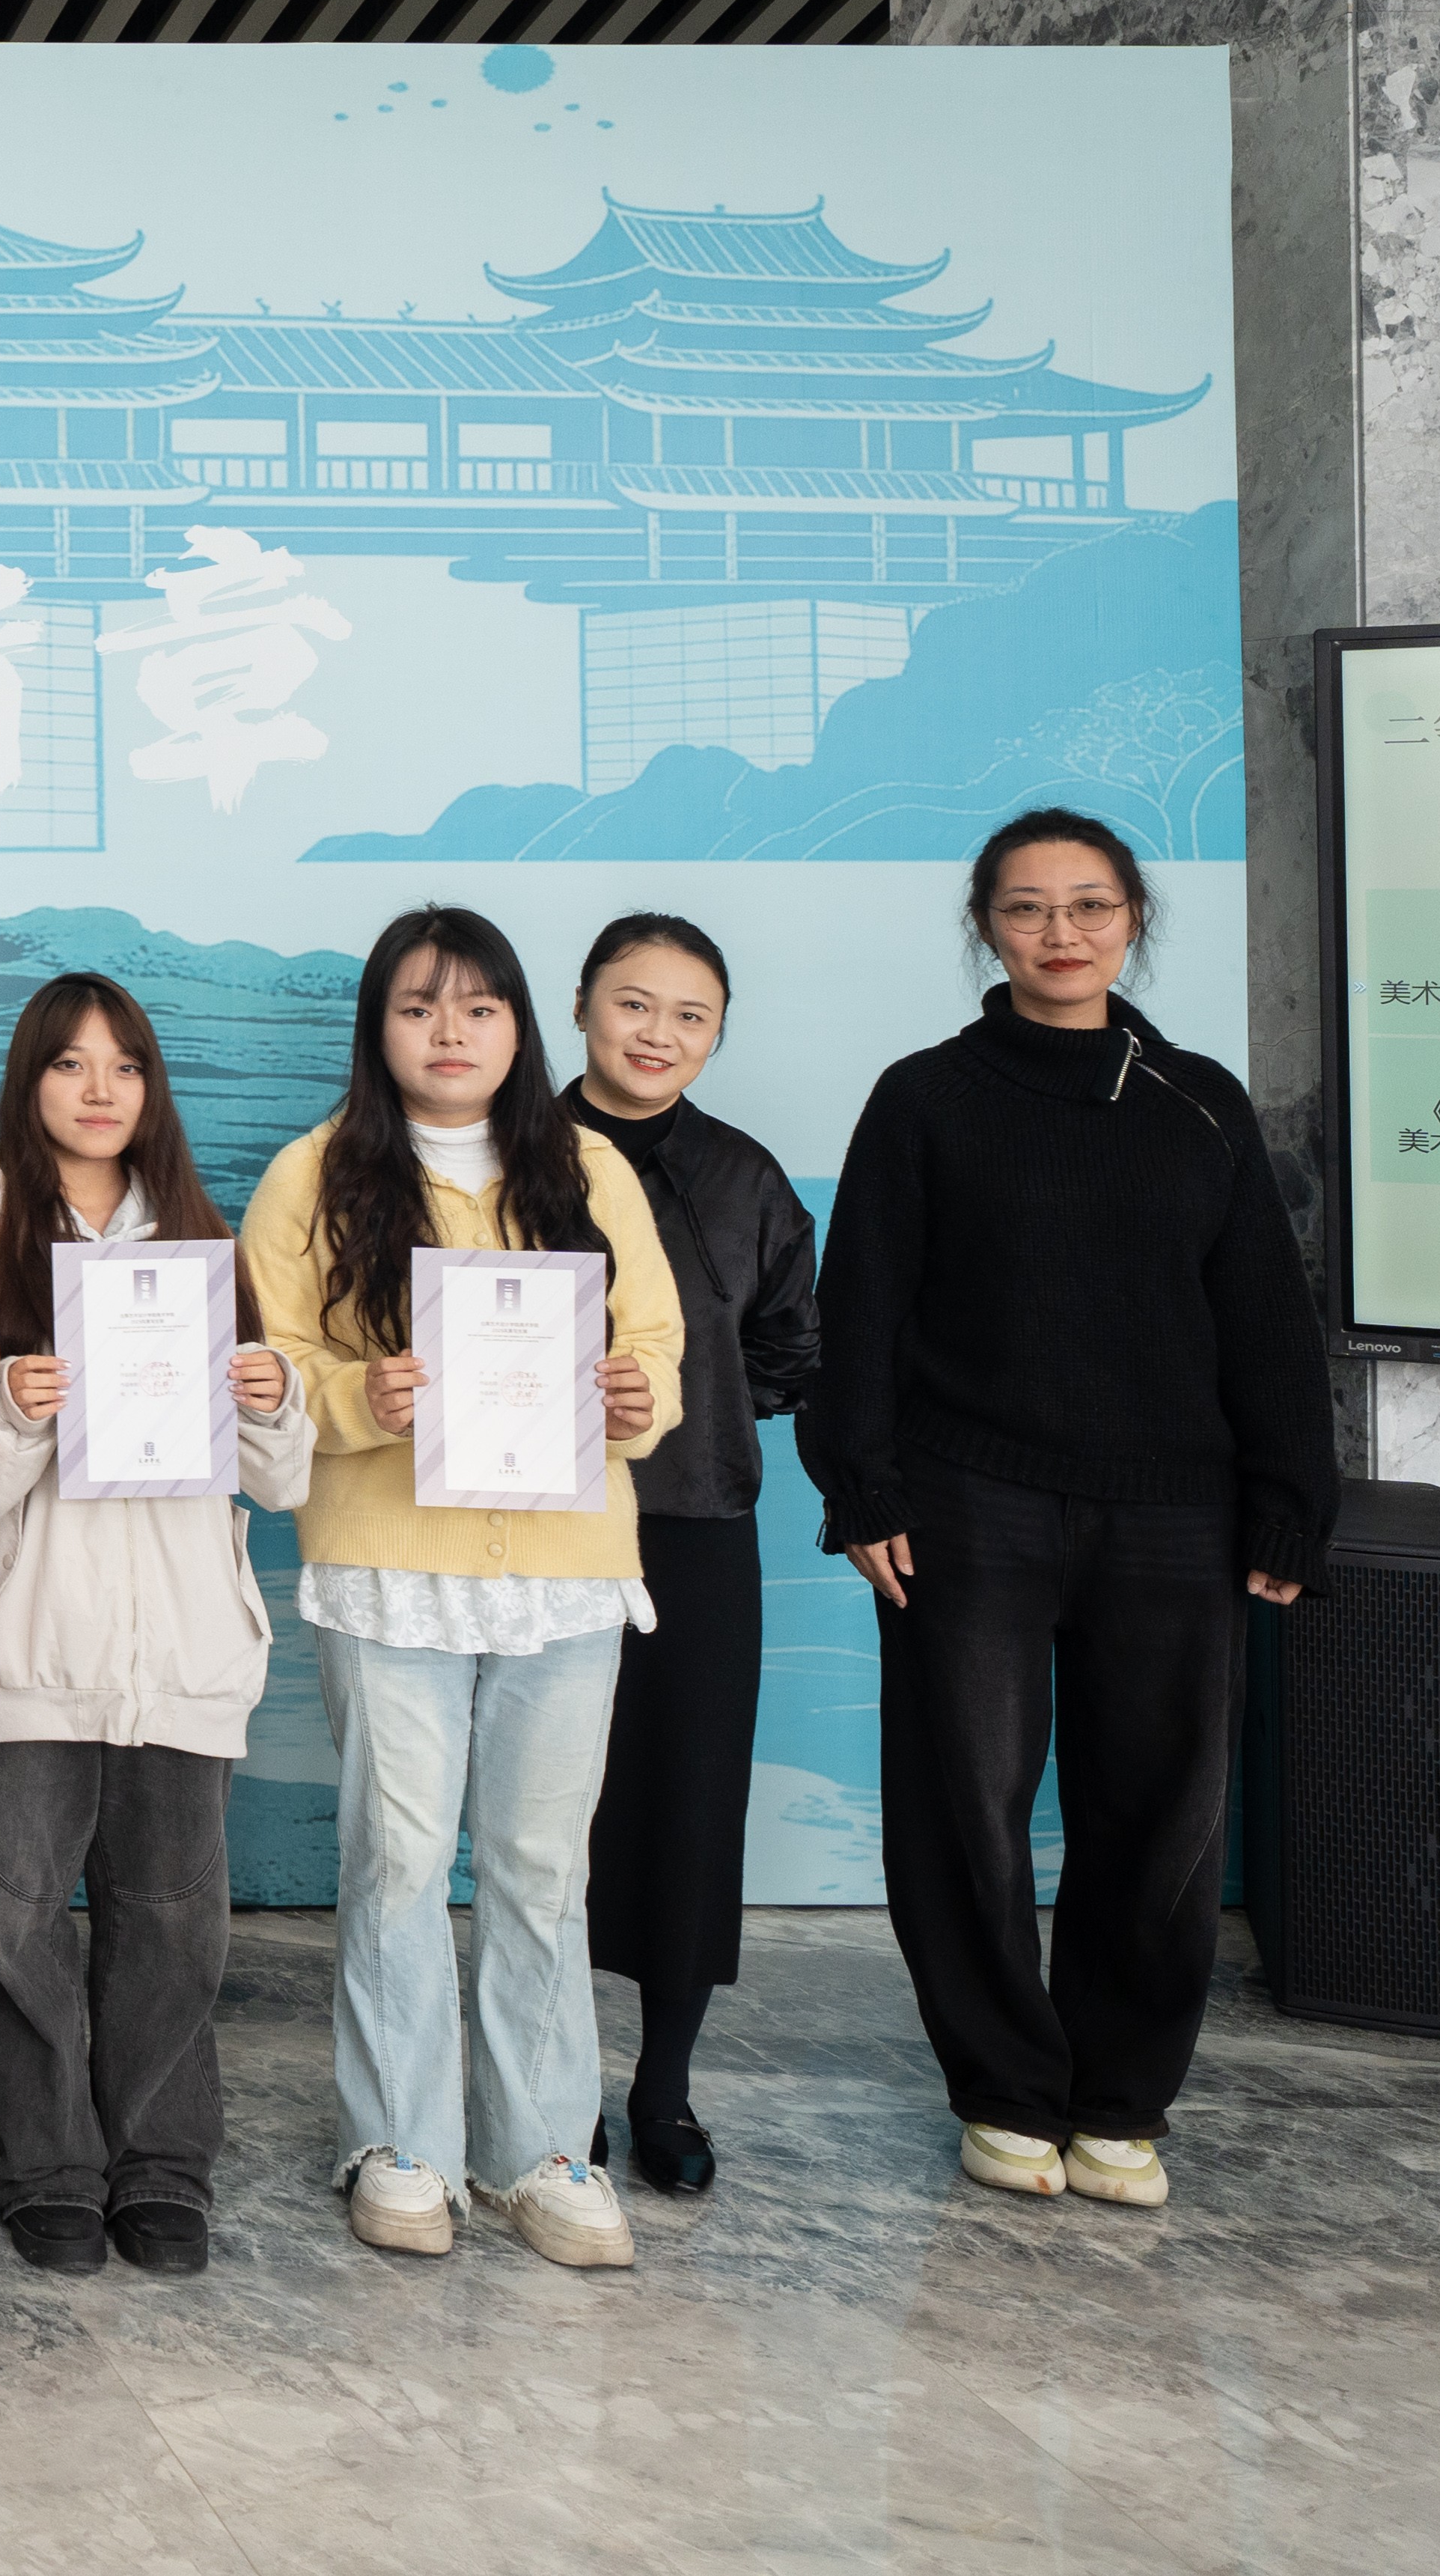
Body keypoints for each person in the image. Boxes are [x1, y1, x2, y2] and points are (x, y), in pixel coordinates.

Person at [799, 809, 1334, 2212]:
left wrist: (1290, 1497)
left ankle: (1118, 2099)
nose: (1060, 932)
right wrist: (859, 1485)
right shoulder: (924, 1095)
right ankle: (1002, 2090)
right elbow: (861, 1304)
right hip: (966, 1502)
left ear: (1132, 919)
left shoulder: (1198, 1102)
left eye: (1089, 905)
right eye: (1027, 907)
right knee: (962, 1804)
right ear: (985, 924)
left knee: (1160, 1814)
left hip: (1174, 1513)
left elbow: (1265, 1317)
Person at [237, 905, 680, 2273]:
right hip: (390, 1568)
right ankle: (399, 2141)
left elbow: (655, 1341)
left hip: (564, 1574)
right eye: (419, 1006)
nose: (450, 1031)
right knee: (398, 1858)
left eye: (479, 1007)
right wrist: (354, 1398)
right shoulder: (312, 1174)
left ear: (517, 1027)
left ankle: (539, 2148)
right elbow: (270, 1361)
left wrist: (637, 1399)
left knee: (543, 1867)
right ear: (377, 1027)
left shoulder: (587, 1166)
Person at [0, 972, 310, 2279]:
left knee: (170, 1920)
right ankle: (46, 2164)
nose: (99, 1090)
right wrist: (13, 1408)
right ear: (26, 1079)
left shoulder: (203, 1240)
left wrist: (269, 1394)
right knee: (18, 1920)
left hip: (180, 1645)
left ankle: (159, 2163)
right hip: (25, 1639)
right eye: (69, 1063)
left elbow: (281, 1478)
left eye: (126, 1065)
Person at [563, 915, 818, 2195]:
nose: (655, 1033)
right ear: (578, 1006)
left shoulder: (743, 1176)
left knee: (688, 1806)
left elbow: (788, 1345)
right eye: (632, 1002)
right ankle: (552, 2081)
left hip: (696, 1526)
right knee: (551, 1812)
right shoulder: (509, 1150)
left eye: (688, 1015)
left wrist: (696, 1412)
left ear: (714, 1035)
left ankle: (661, 2085)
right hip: (538, 1530)